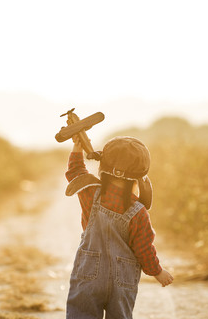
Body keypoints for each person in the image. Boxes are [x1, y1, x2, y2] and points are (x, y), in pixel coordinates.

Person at [65, 135, 173, 319]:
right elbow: (143, 248)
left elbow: (76, 172)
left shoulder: (91, 193)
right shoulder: (138, 211)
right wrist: (157, 272)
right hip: (122, 280)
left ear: (102, 167)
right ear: (139, 178)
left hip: (88, 273)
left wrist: (77, 148)